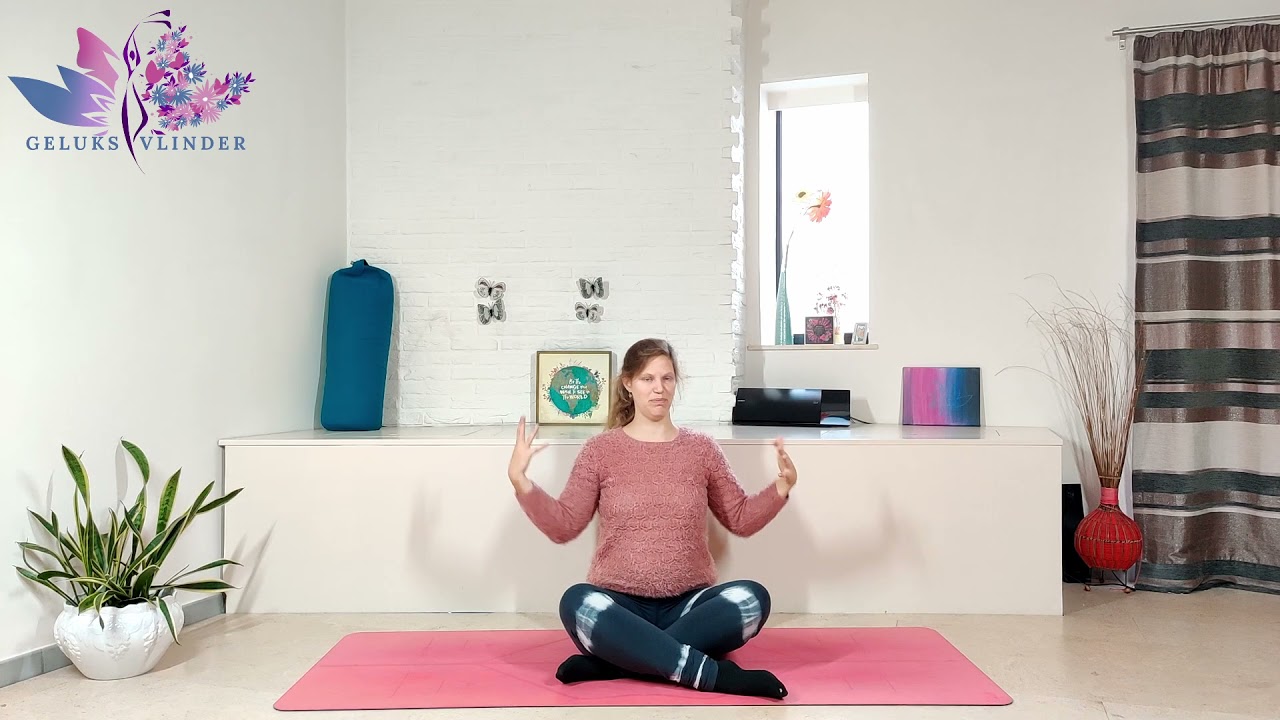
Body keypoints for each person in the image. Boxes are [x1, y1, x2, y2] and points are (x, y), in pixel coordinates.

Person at [507, 338, 797, 699]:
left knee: (752, 598)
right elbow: (564, 525)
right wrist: (520, 481)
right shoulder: (600, 450)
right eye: (647, 379)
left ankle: (618, 661)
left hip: (688, 607)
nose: (659, 388)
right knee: (577, 602)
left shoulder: (702, 448)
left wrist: (782, 486)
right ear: (628, 383)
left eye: (667, 378)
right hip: (619, 607)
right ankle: (711, 675)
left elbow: (740, 518)